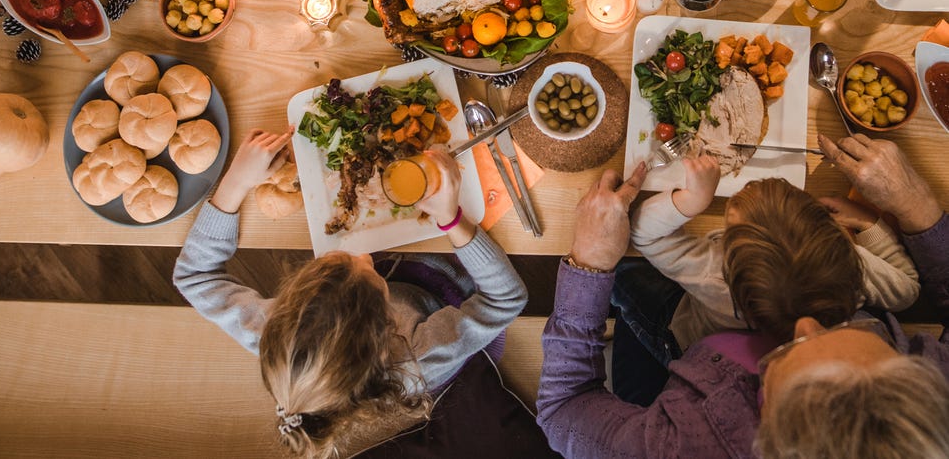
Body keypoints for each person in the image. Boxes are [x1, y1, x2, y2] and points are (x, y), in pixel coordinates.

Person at [537, 134, 949, 459]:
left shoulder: (680, 445)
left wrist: (590, 264)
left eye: (781, 360)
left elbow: (562, 411)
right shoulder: (866, 285)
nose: (803, 325)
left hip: (677, 340)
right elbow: (907, 287)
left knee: (627, 284)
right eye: (867, 334)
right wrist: (912, 207)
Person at [175, 128, 544, 457]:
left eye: (340, 261)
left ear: (288, 306)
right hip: (451, 315)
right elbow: (506, 299)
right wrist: (450, 218)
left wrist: (236, 182)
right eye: (368, 268)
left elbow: (193, 275)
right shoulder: (421, 359)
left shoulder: (278, 336)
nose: (363, 254)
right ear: (388, 325)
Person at [613, 156, 919, 401]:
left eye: (731, 224)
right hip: (758, 366)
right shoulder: (849, 268)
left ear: (728, 253)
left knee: (623, 275)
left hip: (684, 342)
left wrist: (692, 200)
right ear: (833, 232)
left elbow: (643, 234)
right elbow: (907, 290)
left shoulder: (716, 272)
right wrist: (868, 222)